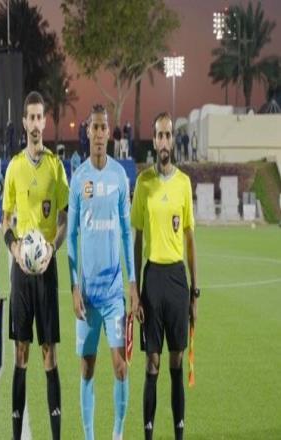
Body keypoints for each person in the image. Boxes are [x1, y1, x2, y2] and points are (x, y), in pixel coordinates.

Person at [67, 104, 139, 440]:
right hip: (87, 295)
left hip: (112, 295)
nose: (98, 133)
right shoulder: (78, 178)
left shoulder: (119, 177)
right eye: (93, 127)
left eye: (103, 128)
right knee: (86, 368)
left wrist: (132, 282)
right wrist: (73, 286)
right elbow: (70, 236)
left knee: (121, 367)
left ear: (109, 133)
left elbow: (126, 233)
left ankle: (118, 434)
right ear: (88, 132)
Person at [2, 91, 69, 440]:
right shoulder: (14, 167)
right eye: (30, 117)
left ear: (45, 121)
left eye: (39, 117)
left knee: (48, 353)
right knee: (21, 351)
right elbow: (5, 220)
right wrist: (15, 247)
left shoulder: (56, 168)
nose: (35, 123)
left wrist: (52, 249)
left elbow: (64, 219)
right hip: (21, 273)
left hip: (46, 271)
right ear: (24, 122)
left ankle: (56, 435)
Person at [131, 112, 199, 440]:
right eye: (159, 135)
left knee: (176, 360)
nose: (164, 141)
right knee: (152, 363)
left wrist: (195, 292)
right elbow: (136, 239)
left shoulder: (184, 183)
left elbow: (190, 239)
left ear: (173, 140)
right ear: (153, 140)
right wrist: (135, 290)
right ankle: (148, 434)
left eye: (168, 135)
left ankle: (178, 434)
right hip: (153, 278)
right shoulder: (143, 183)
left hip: (177, 279)